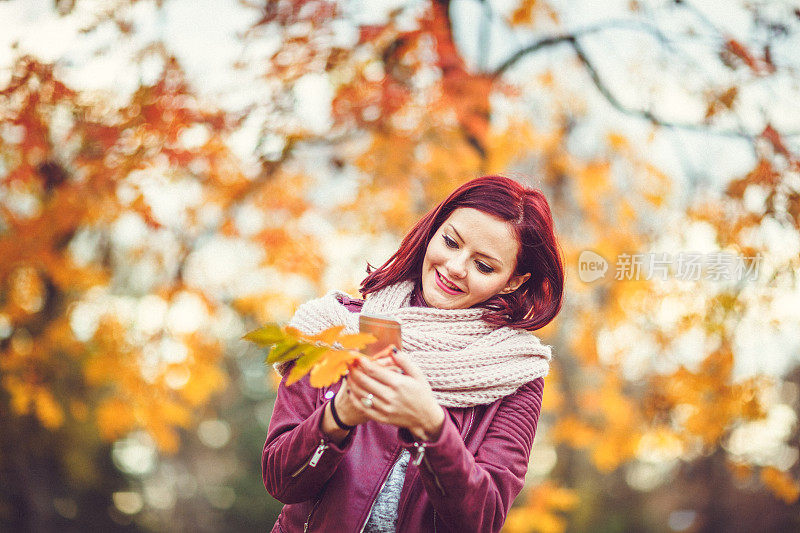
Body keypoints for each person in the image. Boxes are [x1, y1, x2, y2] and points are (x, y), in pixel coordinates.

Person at [262, 175, 564, 532]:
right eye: (451, 242)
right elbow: (279, 480)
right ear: (434, 230)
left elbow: (482, 520)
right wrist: (338, 416)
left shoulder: (516, 372)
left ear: (514, 280)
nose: (455, 267)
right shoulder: (334, 327)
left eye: (484, 266)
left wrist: (432, 428)